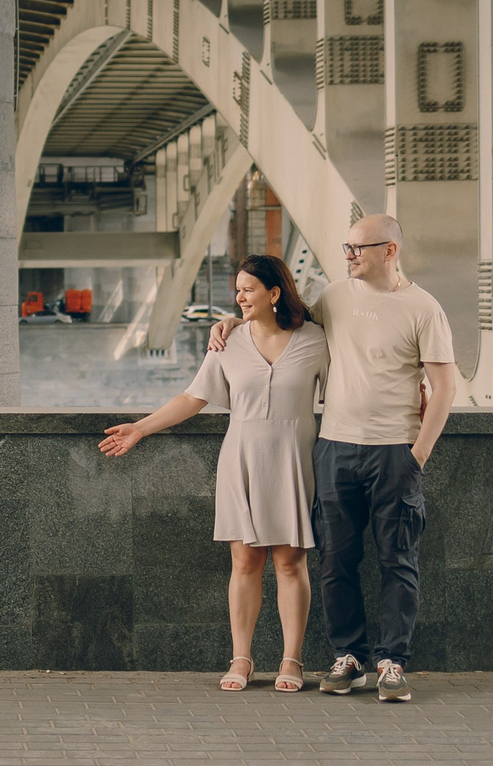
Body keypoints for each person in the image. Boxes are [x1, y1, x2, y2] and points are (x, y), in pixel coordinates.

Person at [209, 214, 454, 702]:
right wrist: (237, 318)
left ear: (390, 250)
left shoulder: (423, 308)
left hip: (394, 451)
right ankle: (349, 658)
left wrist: (417, 455)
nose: (349, 255)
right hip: (336, 448)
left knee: (398, 560)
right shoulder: (335, 298)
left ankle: (391, 662)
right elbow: (286, 321)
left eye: (359, 248)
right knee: (335, 562)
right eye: (346, 247)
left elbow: (445, 387)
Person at [102, 255, 328, 693]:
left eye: (247, 290)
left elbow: (347, 387)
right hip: (241, 458)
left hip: (294, 459)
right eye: (237, 291)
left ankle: (292, 660)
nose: (239, 297)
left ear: (274, 293)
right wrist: (140, 428)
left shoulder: (314, 340)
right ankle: (241, 658)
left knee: (289, 562)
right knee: (244, 562)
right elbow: (193, 398)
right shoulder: (228, 342)